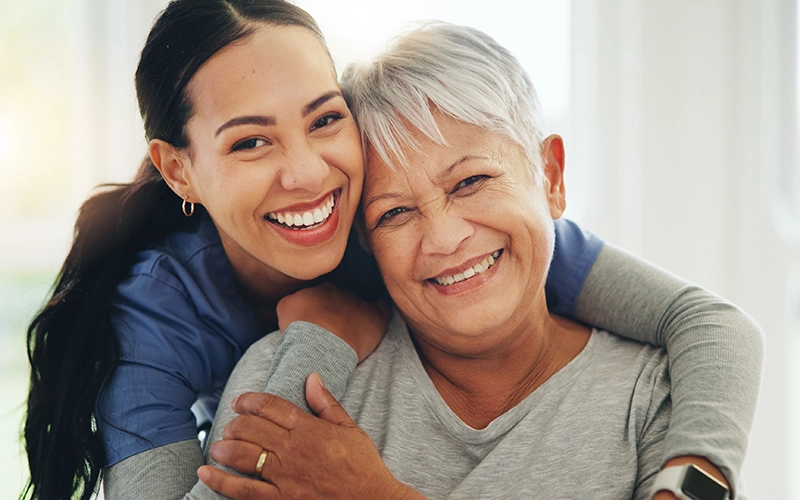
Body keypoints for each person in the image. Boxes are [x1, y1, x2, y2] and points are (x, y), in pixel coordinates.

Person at [21, 1, 761, 499]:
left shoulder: (460, 240)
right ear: (179, 169)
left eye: (323, 120)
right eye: (250, 142)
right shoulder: (155, 325)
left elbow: (710, 323)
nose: (308, 173)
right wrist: (319, 344)